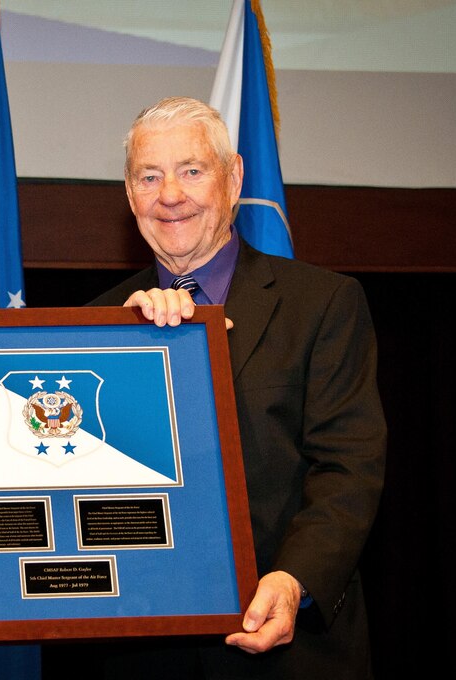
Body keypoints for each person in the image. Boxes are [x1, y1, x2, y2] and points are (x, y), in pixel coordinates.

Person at [47, 96, 387, 678]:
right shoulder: (96, 323)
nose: (170, 195)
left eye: (192, 170)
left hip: (284, 643)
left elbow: (349, 468)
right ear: (130, 196)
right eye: (149, 176)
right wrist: (128, 353)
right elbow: (65, 480)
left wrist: (292, 580)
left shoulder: (322, 304)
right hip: (139, 651)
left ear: (233, 179)